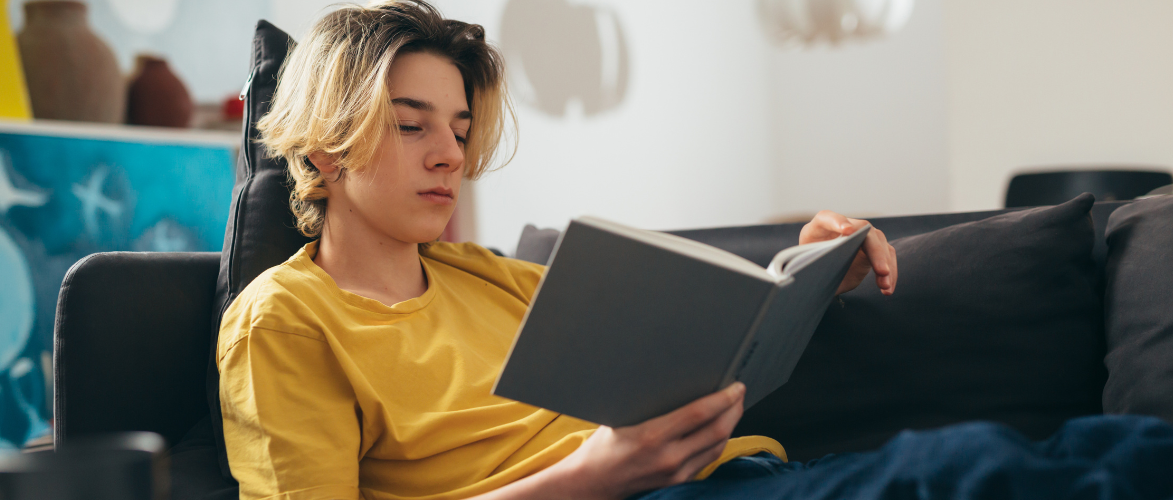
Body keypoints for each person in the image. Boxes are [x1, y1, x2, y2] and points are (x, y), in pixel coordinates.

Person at [216, 2, 896, 499]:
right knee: (949, 468)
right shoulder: (283, 319)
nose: (450, 155)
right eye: (410, 126)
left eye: (460, 130)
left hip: (749, 474)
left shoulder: (488, 275)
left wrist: (812, 273)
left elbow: (684, 345)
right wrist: (591, 478)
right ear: (324, 149)